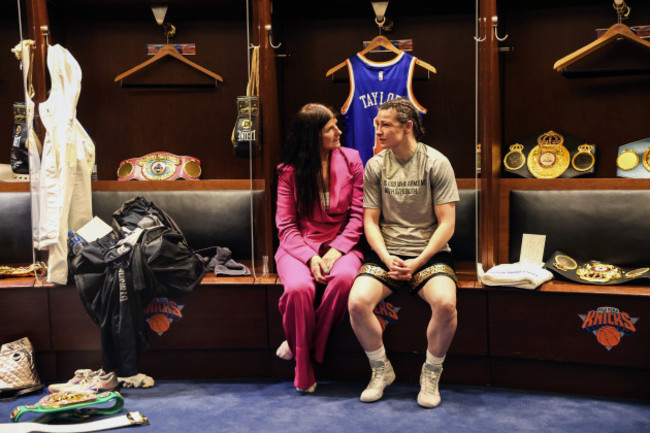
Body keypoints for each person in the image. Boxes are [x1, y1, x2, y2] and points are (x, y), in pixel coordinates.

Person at [347, 98, 460, 408]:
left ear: (407, 127)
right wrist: (385, 258)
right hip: (387, 253)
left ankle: (431, 372)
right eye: (377, 124)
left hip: (428, 253)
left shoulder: (436, 162)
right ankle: (381, 370)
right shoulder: (375, 165)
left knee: (446, 303)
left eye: (386, 125)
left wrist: (418, 261)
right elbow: (369, 221)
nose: (378, 131)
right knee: (357, 303)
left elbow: (447, 223)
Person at [275, 103, 364, 393]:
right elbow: (286, 226)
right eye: (330, 129)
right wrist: (311, 257)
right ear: (313, 135)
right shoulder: (289, 171)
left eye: (337, 124)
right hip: (298, 245)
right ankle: (304, 367)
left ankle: (305, 347)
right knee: (299, 290)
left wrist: (337, 250)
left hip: (344, 244)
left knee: (344, 279)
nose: (339, 131)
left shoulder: (352, 159)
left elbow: (359, 215)